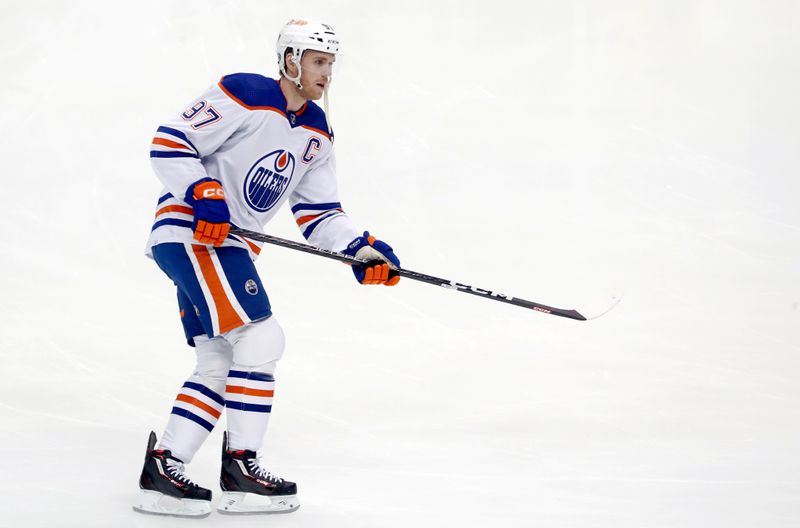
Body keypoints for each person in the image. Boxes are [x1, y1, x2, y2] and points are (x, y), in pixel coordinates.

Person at [132, 19, 401, 517]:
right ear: (291, 60)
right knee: (260, 338)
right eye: (319, 62)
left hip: (225, 247)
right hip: (194, 234)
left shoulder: (317, 134)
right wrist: (202, 191)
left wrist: (360, 249)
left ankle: (164, 468)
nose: (327, 74)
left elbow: (318, 215)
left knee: (220, 360)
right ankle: (241, 466)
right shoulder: (246, 92)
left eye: (331, 64)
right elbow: (170, 141)